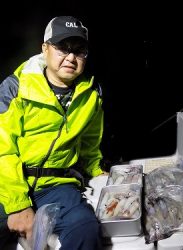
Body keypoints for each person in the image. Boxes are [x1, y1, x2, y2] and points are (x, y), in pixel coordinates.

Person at [0, 16, 107, 249]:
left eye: (79, 51)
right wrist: (18, 205)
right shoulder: (15, 88)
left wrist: (97, 171)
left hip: (57, 185)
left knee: (85, 228)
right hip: (7, 184)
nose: (71, 57)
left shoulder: (92, 94)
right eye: (62, 48)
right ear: (45, 48)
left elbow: (90, 142)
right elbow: (2, 149)